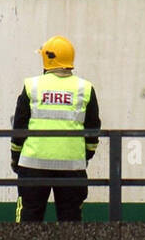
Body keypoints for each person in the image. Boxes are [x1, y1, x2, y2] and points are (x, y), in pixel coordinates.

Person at [11, 34, 100, 223]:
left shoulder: (32, 86)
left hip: (33, 165)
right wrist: (85, 155)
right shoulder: (85, 88)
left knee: (29, 218)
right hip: (72, 166)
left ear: (47, 59)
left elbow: (19, 127)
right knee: (70, 221)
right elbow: (93, 130)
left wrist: (15, 158)